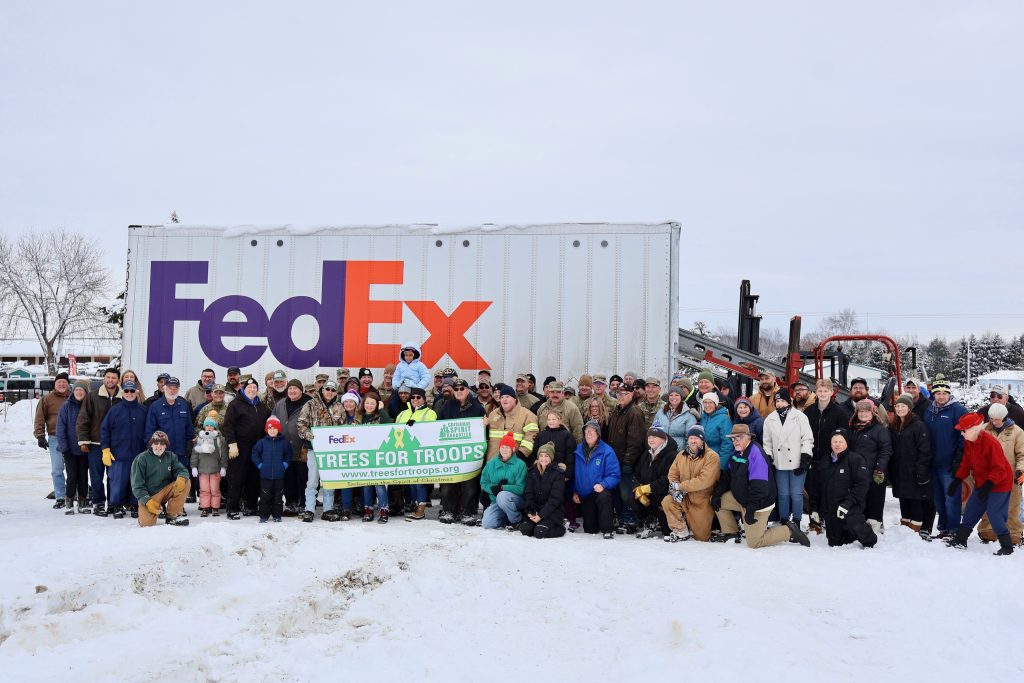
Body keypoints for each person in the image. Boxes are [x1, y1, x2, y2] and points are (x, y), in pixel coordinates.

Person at [712, 424, 809, 547]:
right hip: (742, 499)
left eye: (739, 437)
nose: (735, 441)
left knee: (754, 542)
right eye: (733, 438)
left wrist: (751, 509)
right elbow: (727, 477)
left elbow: (760, 488)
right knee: (717, 501)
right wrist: (717, 494)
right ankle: (731, 532)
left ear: (748, 437)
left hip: (759, 503)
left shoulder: (756, 454)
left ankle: (789, 530)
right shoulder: (736, 453)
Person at [945, 413, 1015, 555]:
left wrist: (989, 485)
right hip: (982, 482)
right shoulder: (969, 441)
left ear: (975, 429)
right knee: (971, 510)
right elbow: (966, 462)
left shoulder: (991, 443)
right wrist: (958, 480)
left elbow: (999, 469)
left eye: (964, 430)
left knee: (995, 515)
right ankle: (961, 539)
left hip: (999, 483)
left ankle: (1007, 547)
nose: (962, 433)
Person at [809, 429, 877, 548]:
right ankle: (848, 534)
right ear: (830, 444)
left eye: (841, 441)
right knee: (835, 542)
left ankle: (868, 538)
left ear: (846, 443)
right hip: (831, 509)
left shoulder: (855, 459)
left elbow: (862, 484)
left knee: (854, 523)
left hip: (850, 505)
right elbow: (816, 488)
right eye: (834, 441)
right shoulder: (824, 461)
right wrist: (814, 508)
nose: (837, 444)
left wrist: (847, 504)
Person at [804, 379, 852, 533]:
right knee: (813, 490)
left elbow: (844, 436)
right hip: (812, 457)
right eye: (820, 391)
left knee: (828, 490)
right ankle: (814, 520)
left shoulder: (839, 413)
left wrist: (838, 455)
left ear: (832, 392)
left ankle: (828, 518)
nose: (823, 394)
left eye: (826, 391)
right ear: (816, 393)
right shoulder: (809, 411)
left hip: (830, 458)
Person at [436, 378, 486, 524]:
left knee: (469, 484)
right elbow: (439, 426)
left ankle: (468, 512)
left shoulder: (478, 408)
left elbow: (484, 431)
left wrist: (485, 424)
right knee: (448, 484)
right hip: (451, 453)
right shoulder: (447, 406)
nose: (458, 391)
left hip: (470, 454)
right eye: (456, 389)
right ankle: (448, 511)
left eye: (461, 389)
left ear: (467, 390)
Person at [762, 387, 814, 528]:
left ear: (788, 401)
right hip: (779, 463)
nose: (779, 404)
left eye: (782, 401)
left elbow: (807, 439)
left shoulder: (800, 417)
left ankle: (796, 522)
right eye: (777, 401)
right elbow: (767, 442)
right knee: (783, 494)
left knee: (796, 494)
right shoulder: (770, 419)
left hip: (798, 462)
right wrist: (769, 458)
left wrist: (805, 458)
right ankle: (784, 521)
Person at [924, 377, 968, 539]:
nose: (941, 396)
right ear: (933, 394)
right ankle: (943, 529)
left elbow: (964, 437)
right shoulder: (929, 411)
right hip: (933, 463)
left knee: (952, 499)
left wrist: (959, 460)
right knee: (938, 499)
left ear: (949, 393)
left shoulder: (958, 410)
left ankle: (953, 530)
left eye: (944, 393)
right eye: (938, 393)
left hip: (950, 464)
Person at [297, 380, 347, 522]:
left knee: (329, 481)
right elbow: (301, 423)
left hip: (332, 451)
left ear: (336, 392)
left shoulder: (339, 408)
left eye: (332, 390)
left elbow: (344, 428)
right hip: (314, 449)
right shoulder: (311, 404)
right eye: (327, 389)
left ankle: (328, 510)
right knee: (312, 480)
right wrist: (307, 434)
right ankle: (309, 510)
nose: (329, 392)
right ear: (322, 389)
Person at [661, 425, 721, 542]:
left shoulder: (712, 457)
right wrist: (675, 491)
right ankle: (680, 530)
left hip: (701, 501)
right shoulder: (681, 455)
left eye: (696, 438)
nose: (693, 441)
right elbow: (672, 475)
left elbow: (704, 481)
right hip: (684, 497)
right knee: (668, 501)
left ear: (702, 440)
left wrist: (681, 486)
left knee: (702, 538)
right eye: (691, 438)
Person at [222, 378, 271, 519]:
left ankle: (251, 506)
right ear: (244, 389)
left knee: (254, 477)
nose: (252, 390)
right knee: (237, 477)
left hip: (257, 447)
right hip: (239, 447)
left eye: (254, 387)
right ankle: (232, 508)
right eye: (249, 388)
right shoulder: (235, 404)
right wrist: (232, 443)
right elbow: (228, 425)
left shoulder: (261, 406)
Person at [99, 379, 148, 519]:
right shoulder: (115, 410)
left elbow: (148, 430)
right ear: (123, 392)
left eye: (132, 391)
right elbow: (105, 430)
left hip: (138, 454)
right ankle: (117, 505)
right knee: (118, 482)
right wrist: (105, 449)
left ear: (136, 392)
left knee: (136, 481)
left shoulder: (143, 410)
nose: (129, 393)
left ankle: (134, 505)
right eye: (126, 391)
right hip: (119, 454)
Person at [77, 367, 123, 515]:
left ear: (118, 380)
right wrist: (84, 440)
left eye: (113, 378)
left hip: (116, 445)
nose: (110, 380)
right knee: (96, 476)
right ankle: (98, 503)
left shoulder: (123, 397)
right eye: (108, 377)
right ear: (104, 379)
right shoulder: (92, 396)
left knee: (114, 477)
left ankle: (113, 502)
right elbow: (83, 418)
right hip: (96, 444)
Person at [144, 376, 196, 504]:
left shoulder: (183, 404)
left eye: (175, 388)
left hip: (181, 453)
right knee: (161, 480)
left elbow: (189, 429)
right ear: (164, 388)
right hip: (163, 452)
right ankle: (160, 505)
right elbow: (150, 431)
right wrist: (152, 449)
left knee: (180, 480)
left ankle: (177, 506)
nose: (172, 391)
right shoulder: (155, 407)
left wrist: (190, 446)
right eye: (170, 388)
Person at [978, 403, 1024, 546]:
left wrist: (1020, 470)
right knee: (988, 502)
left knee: (1012, 504)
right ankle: (987, 530)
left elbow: (1022, 454)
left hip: (1011, 475)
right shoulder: (983, 429)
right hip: (989, 475)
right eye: (992, 418)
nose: (995, 422)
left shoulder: (1017, 432)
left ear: (1005, 417)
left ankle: (1014, 533)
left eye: (998, 419)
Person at [889, 393, 934, 537]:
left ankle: (916, 529)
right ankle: (905, 529)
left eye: (903, 406)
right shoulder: (894, 425)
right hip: (899, 470)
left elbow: (924, 449)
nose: (900, 409)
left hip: (914, 469)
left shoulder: (918, 425)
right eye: (898, 406)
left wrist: (921, 470)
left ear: (909, 408)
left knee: (915, 500)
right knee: (904, 499)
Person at [848, 399, 894, 534]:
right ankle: (860, 528)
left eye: (866, 411)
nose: (863, 414)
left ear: (873, 412)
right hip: (857, 474)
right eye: (860, 411)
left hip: (874, 473)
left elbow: (886, 450)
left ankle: (874, 528)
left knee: (875, 502)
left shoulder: (880, 429)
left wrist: (880, 468)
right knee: (859, 501)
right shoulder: (852, 429)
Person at [607, 381, 646, 533]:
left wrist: (628, 462)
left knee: (626, 492)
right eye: (619, 393)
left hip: (626, 462)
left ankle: (631, 519)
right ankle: (623, 517)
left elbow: (636, 442)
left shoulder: (635, 412)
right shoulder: (617, 411)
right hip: (614, 461)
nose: (621, 396)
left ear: (631, 395)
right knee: (616, 491)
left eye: (625, 394)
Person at [130, 431, 190, 527]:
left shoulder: (170, 456)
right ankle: (150, 510)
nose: (159, 446)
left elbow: (182, 470)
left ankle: (173, 515)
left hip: (165, 491)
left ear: (166, 446)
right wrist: (147, 501)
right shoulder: (141, 459)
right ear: (151, 444)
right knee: (146, 524)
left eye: (162, 443)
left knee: (185, 481)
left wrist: (181, 478)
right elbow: (137, 486)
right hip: (150, 496)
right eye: (156, 443)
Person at [573, 420, 621, 538]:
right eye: (586, 432)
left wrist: (603, 484)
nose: (588, 434)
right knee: (590, 529)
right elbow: (574, 473)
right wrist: (574, 491)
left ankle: (607, 529)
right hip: (585, 495)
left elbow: (615, 474)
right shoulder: (578, 450)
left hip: (599, 491)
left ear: (598, 434)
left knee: (604, 497)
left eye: (591, 431)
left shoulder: (607, 451)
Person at [396, 387, 438, 520]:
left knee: (420, 481)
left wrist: (417, 426)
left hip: (421, 451)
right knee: (411, 481)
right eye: (413, 397)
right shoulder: (403, 414)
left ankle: (421, 507)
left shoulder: (429, 413)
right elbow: (395, 429)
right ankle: (414, 504)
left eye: (418, 397)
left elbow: (431, 429)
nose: (415, 399)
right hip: (406, 451)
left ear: (424, 399)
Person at [271, 379, 311, 516]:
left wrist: (307, 443)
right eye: (290, 389)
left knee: (304, 477)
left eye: (295, 388)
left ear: (301, 390)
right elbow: (273, 421)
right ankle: (291, 503)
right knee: (288, 477)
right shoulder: (280, 404)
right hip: (285, 448)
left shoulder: (309, 403)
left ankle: (303, 503)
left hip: (303, 448)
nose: (292, 391)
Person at [631, 426, 677, 538]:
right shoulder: (646, 454)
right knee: (633, 499)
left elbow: (668, 479)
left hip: (664, 494)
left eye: (655, 437)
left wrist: (648, 488)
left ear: (663, 438)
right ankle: (649, 523)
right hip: (649, 493)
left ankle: (662, 522)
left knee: (667, 531)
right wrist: (638, 488)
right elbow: (636, 473)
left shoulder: (672, 455)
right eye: (649, 437)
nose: (651, 440)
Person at [34, 371, 69, 509]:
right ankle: (60, 496)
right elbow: (39, 418)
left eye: (64, 382)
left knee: (74, 468)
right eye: (59, 382)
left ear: (68, 384)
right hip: (55, 437)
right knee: (57, 469)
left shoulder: (74, 397)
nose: (62, 384)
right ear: (55, 384)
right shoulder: (47, 399)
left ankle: (74, 494)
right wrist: (40, 436)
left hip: (73, 438)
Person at [57, 380, 91, 514]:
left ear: (85, 392)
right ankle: (69, 502)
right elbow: (60, 428)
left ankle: (82, 502)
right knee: (71, 476)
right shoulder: (66, 406)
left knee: (83, 476)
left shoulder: (89, 405)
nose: (78, 392)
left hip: (85, 448)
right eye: (76, 390)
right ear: (73, 391)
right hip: (70, 449)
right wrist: (64, 447)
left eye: (81, 390)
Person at [481, 432, 528, 529]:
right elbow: (484, 482)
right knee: (487, 524)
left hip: (515, 500)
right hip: (496, 501)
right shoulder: (491, 463)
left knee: (502, 496)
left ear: (513, 449)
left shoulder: (520, 465)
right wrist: (493, 488)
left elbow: (521, 488)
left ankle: (516, 520)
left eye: (507, 447)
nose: (504, 449)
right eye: (502, 447)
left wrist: (503, 488)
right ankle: (506, 519)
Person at [520, 444, 566, 538]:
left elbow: (554, 499)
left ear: (551, 458)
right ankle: (539, 524)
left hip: (553, 511)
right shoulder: (532, 471)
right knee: (525, 529)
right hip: (536, 509)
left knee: (539, 532)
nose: (543, 458)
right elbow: (529, 494)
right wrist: (530, 511)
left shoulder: (558, 474)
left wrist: (541, 516)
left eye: (546, 456)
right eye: (541, 455)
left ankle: (562, 528)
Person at [357, 392, 390, 523]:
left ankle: (383, 510)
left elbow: (389, 424)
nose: (369, 405)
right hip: (364, 456)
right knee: (366, 485)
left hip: (378, 455)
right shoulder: (359, 417)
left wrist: (382, 410)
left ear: (377, 405)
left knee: (379, 485)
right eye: (367, 403)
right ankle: (368, 510)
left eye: (372, 403)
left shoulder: (380, 416)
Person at [252, 416, 292, 523]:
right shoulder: (262, 442)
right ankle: (263, 516)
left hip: (279, 475)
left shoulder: (283, 442)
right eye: (270, 428)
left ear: (278, 429)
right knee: (265, 496)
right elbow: (255, 454)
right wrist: (260, 465)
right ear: (266, 429)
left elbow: (288, 454)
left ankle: (277, 515)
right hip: (265, 475)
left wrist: (285, 464)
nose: (272, 430)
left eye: (274, 428)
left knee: (278, 497)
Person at [192, 415, 227, 517]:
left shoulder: (220, 440)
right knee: (204, 490)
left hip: (215, 470)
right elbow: (195, 454)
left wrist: (224, 467)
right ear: (204, 427)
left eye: (211, 426)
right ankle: (205, 507)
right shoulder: (200, 439)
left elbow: (224, 454)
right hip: (202, 470)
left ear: (215, 427)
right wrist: (194, 467)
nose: (209, 427)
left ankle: (215, 507)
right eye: (207, 425)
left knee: (215, 489)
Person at [699, 393, 734, 470]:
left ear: (715, 404)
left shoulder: (724, 419)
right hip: (702, 459)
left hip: (716, 459)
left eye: (710, 402)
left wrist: (720, 465)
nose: (707, 405)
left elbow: (727, 444)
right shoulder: (702, 417)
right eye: (705, 402)